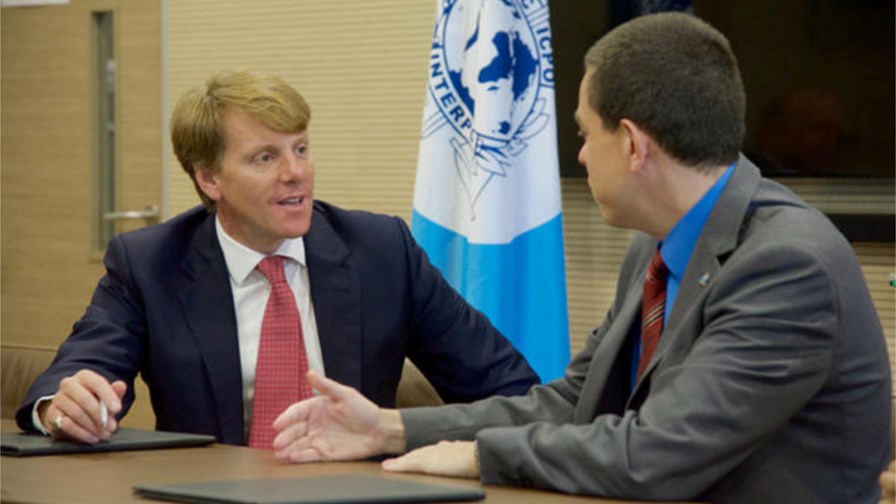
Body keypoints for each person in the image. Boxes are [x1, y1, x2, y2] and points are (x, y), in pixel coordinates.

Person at [269, 13, 893, 503]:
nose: (583, 157)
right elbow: (575, 401)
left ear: (632, 145)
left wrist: (483, 455)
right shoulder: (655, 244)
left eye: (584, 134)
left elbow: (660, 454)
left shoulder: (787, 267)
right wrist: (390, 430)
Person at [15, 70, 540, 448]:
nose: (296, 174)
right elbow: (80, 370)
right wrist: (62, 407)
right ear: (209, 178)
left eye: (302, 149)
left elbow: (511, 389)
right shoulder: (150, 263)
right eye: (266, 158)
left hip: (352, 494)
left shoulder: (383, 251)